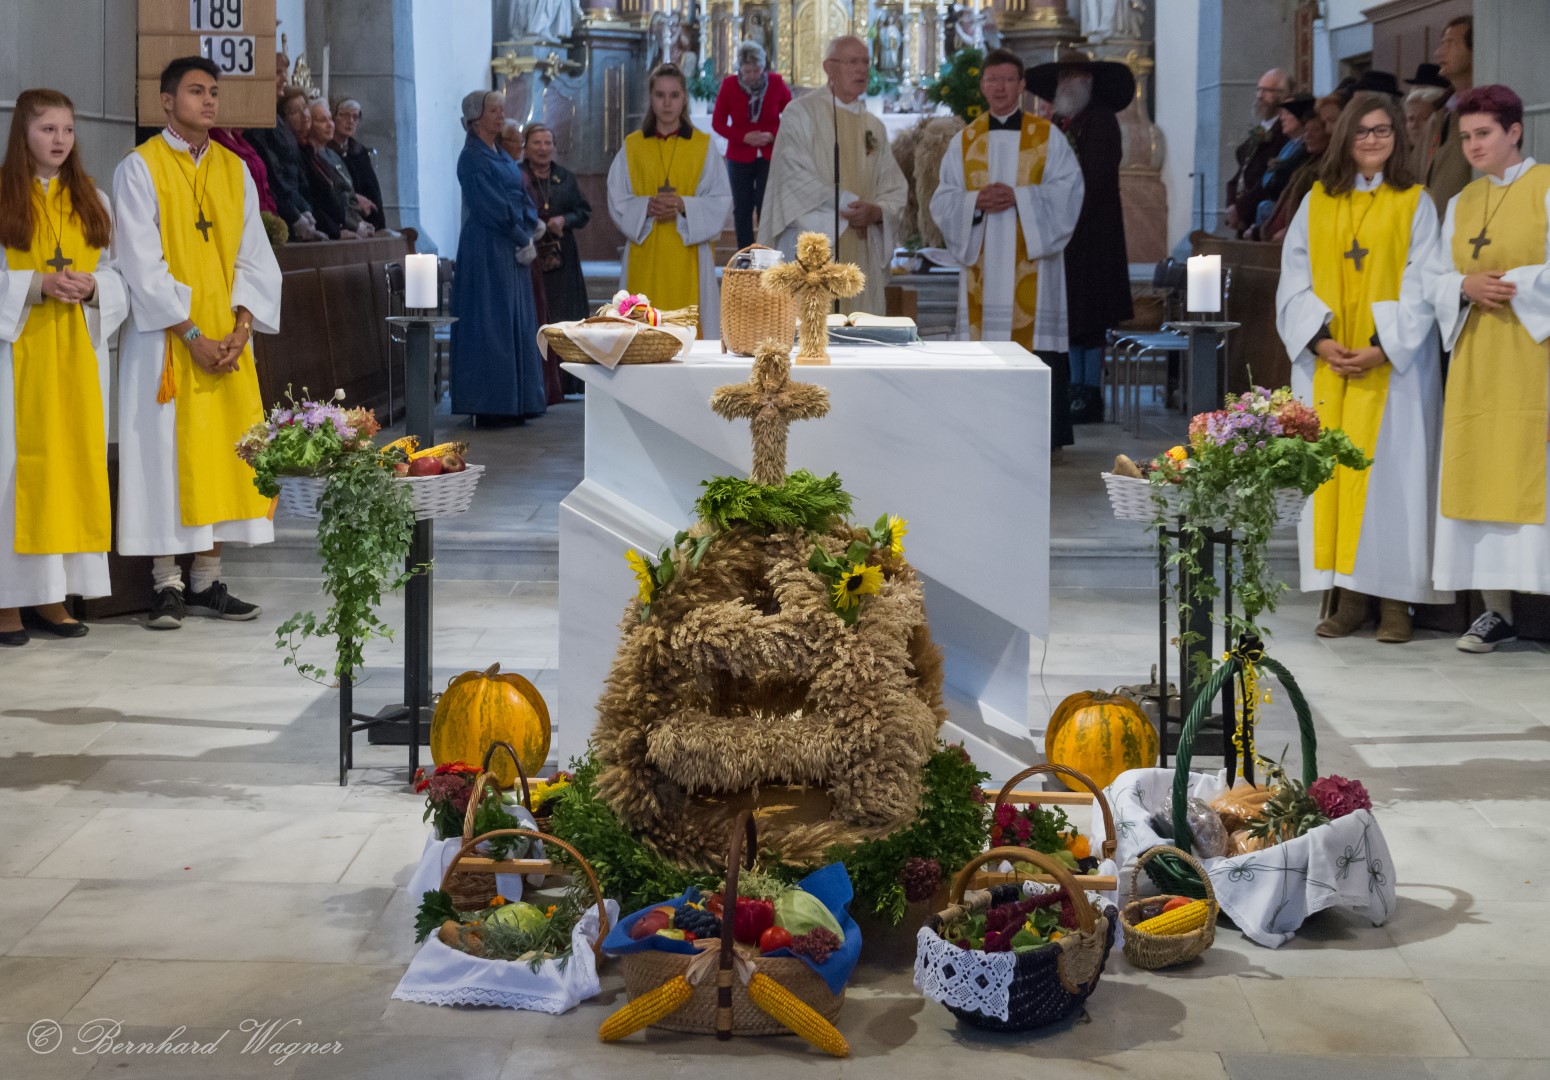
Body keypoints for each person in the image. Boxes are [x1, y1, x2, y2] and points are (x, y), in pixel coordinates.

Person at [113, 56, 282, 629]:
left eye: (213, 91)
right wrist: (190, 334)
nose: (208, 100)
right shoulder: (140, 168)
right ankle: (166, 584)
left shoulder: (235, 170)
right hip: (166, 344)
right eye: (195, 91)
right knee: (163, 456)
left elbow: (255, 257)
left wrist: (241, 329)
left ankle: (208, 582)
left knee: (224, 454)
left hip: (227, 342)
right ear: (166, 101)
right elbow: (141, 263)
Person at [1275, 92, 1448, 643]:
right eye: (1362, 131)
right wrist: (1321, 341)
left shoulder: (1416, 203)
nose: (1372, 140)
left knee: (1393, 482)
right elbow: (1293, 278)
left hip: (1394, 370)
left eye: (1383, 131)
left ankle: (1396, 604)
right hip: (1329, 367)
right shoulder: (1318, 202)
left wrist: (1381, 346)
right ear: (1345, 137)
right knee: (1334, 478)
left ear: (1398, 137)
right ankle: (1348, 600)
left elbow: (1425, 282)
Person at [1424, 85, 1550, 653]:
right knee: (1478, 473)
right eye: (1466, 136)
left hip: (1534, 354)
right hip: (1476, 356)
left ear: (1514, 131)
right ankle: (1496, 611)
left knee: (1533, 473)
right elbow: (1430, 278)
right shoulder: (1462, 202)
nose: (1473, 145)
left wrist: (1512, 282)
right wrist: (1463, 285)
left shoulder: (1545, 187)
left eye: (1484, 133)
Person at [0, 90, 128, 646]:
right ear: (22, 134)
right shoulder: (3, 196)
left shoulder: (91, 198)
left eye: (68, 130)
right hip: (14, 361)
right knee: (13, 474)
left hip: (77, 358)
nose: (60, 140)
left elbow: (121, 275)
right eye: (47, 129)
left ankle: (51, 596)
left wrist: (94, 286)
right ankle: (6, 602)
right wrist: (35, 285)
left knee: (70, 468)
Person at [932, 51, 1083, 448]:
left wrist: (1020, 198)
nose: (999, 87)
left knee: (1038, 349)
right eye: (992, 80)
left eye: (1008, 79)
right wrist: (973, 202)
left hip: (1034, 266)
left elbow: (1069, 191)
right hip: (982, 261)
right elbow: (943, 200)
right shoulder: (965, 141)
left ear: (1021, 85)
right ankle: (982, 434)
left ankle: (1043, 440)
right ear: (982, 85)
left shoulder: (1047, 137)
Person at [759, 36, 908, 316]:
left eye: (865, 62)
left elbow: (894, 187)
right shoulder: (801, 113)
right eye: (852, 62)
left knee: (859, 332)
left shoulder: (873, 126)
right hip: (813, 244)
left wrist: (877, 212)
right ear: (829, 67)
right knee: (811, 330)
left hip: (861, 248)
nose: (861, 69)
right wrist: (850, 206)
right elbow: (793, 177)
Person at [1029, 49, 1135, 427]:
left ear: (1087, 82)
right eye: (1061, 79)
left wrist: (1063, 208)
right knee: (1072, 315)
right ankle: (1075, 385)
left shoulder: (1100, 121)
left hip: (1094, 234)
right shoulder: (1064, 123)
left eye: (1070, 78)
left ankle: (1090, 392)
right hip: (1069, 235)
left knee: (1091, 318)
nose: (1063, 85)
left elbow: (1094, 178)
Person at [607, 63, 731, 334]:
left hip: (689, 252)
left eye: (674, 95)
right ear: (651, 99)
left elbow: (720, 198)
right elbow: (617, 196)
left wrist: (683, 205)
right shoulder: (633, 145)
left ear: (684, 98)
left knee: (689, 327)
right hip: (645, 250)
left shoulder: (702, 145)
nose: (667, 103)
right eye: (660, 95)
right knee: (641, 328)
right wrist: (646, 207)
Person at [449, 90, 547, 423]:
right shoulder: (471, 158)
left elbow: (521, 191)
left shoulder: (500, 154)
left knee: (516, 321)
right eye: (494, 110)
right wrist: (521, 235)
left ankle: (518, 401)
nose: (500, 115)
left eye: (502, 109)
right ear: (475, 117)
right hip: (487, 248)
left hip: (510, 246)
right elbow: (490, 204)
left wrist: (531, 224)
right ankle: (492, 404)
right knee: (491, 322)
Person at [521, 121, 591, 395]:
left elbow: (583, 212)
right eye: (537, 143)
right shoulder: (519, 175)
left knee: (564, 317)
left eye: (548, 143)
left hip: (562, 261)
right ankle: (539, 382)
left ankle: (567, 381)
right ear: (526, 147)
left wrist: (565, 219)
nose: (543, 148)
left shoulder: (565, 177)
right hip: (529, 258)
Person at [712, 41, 791, 250]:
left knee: (766, 206)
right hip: (739, 155)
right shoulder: (729, 85)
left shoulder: (776, 83)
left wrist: (772, 135)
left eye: (757, 71)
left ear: (763, 67)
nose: (753, 76)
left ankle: (767, 252)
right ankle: (745, 255)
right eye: (747, 71)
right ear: (740, 68)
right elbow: (718, 123)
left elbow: (792, 115)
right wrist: (743, 137)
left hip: (769, 155)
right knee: (742, 208)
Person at [247, 83, 326, 241]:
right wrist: (296, 215)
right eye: (295, 112)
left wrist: (305, 209)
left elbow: (301, 183)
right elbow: (277, 181)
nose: (304, 115)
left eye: (305, 108)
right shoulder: (268, 136)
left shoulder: (301, 147)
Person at [1226, 68, 1292, 237]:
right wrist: (1232, 205)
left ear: (1282, 95)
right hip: (1243, 220)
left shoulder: (1285, 133)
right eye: (1258, 89)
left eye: (1266, 91)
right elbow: (1242, 169)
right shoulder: (1261, 129)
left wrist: (1241, 209)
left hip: (1261, 221)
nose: (1259, 96)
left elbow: (1268, 179)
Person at [1261, 96, 1336, 242]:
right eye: (1306, 131)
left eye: (1315, 130)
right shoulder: (1307, 161)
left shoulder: (1328, 166)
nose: (1308, 136)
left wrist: (1292, 231)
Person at [1421, 16, 1475, 216]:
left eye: (1450, 43)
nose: (1438, 52)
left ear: (1475, 49)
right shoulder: (1439, 115)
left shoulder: (1484, 112)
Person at [306, 100, 372, 239]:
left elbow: (349, 195)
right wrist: (355, 226)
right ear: (309, 124)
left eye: (330, 119)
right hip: (335, 229)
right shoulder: (310, 157)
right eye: (322, 120)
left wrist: (360, 222)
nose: (330, 124)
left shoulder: (333, 155)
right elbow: (329, 201)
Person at [330, 98, 387, 231]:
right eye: (345, 115)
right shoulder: (326, 151)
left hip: (369, 221)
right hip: (344, 222)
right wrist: (355, 200)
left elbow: (374, 192)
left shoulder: (359, 152)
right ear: (334, 117)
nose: (350, 121)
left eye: (355, 117)